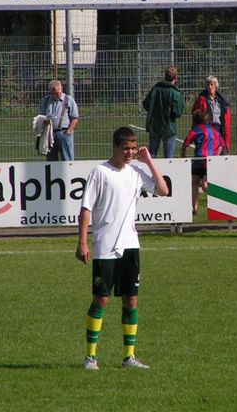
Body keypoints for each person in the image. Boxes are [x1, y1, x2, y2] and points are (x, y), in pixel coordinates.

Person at [76, 126, 169, 371]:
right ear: (115, 147)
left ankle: (129, 357)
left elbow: (163, 190)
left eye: (133, 148)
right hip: (105, 246)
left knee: (131, 301)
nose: (130, 153)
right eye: (125, 148)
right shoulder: (100, 172)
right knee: (101, 300)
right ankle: (90, 357)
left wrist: (148, 161)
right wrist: (82, 241)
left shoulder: (137, 172)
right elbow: (86, 208)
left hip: (130, 246)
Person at [181, 109, 224, 215]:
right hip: (205, 161)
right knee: (197, 183)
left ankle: (222, 200)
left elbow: (185, 144)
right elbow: (221, 144)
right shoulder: (214, 130)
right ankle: (194, 208)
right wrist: (216, 156)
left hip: (201, 161)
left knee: (201, 184)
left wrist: (183, 157)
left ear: (195, 120)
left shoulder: (195, 130)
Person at [142, 66, 185, 158]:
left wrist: (154, 110)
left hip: (154, 125)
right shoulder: (175, 92)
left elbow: (146, 104)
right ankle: (167, 172)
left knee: (152, 155)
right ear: (175, 78)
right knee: (169, 157)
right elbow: (178, 112)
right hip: (168, 127)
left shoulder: (156, 89)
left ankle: (151, 171)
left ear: (165, 76)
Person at [38, 79, 79, 161]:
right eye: (55, 93)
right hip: (50, 134)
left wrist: (68, 132)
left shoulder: (69, 100)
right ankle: (53, 174)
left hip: (63, 133)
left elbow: (75, 118)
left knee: (67, 160)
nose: (58, 94)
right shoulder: (45, 101)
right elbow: (41, 116)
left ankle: (68, 174)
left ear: (61, 88)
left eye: (59, 91)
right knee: (51, 160)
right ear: (50, 92)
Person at [192, 75, 231, 154]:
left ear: (216, 86)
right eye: (208, 85)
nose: (210, 87)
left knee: (221, 152)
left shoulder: (222, 100)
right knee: (209, 153)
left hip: (220, 129)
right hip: (208, 129)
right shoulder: (201, 100)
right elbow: (196, 115)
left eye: (212, 84)